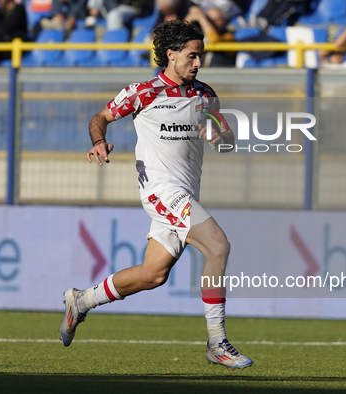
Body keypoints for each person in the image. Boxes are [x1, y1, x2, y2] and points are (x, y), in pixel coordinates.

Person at [58, 19, 253, 370]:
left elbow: (225, 139)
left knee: (152, 274)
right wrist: (98, 141)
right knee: (218, 246)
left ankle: (81, 301)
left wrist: (221, 137)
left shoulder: (205, 95)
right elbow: (99, 117)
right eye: (192, 56)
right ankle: (216, 342)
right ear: (171, 54)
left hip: (186, 193)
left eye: (201, 56)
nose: (198, 63)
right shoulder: (142, 92)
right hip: (161, 192)